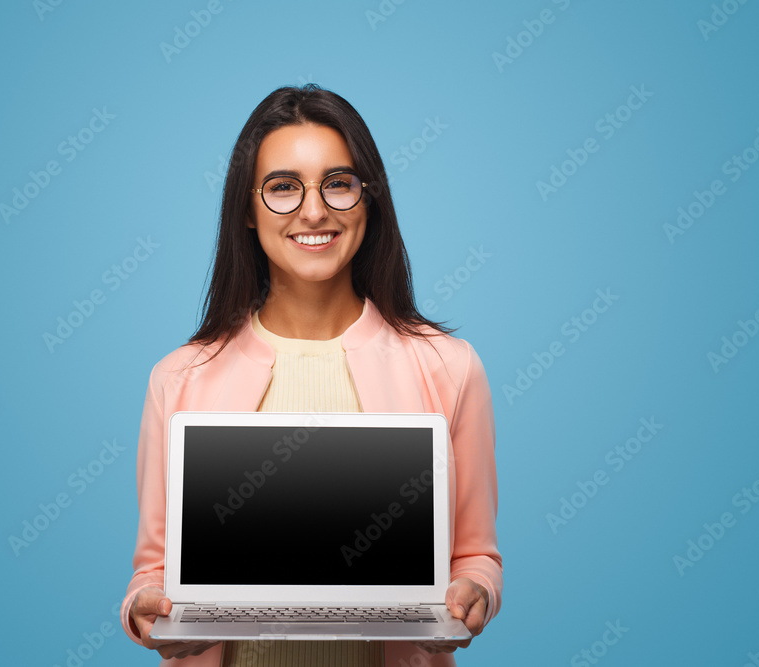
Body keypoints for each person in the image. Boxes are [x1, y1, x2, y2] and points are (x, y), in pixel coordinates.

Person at [120, 84, 502, 666]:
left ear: (369, 201)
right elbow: (154, 571)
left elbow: (475, 557)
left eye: (338, 183)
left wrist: (475, 593)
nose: (314, 210)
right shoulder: (178, 378)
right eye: (282, 188)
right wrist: (147, 608)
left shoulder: (450, 368)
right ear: (247, 210)